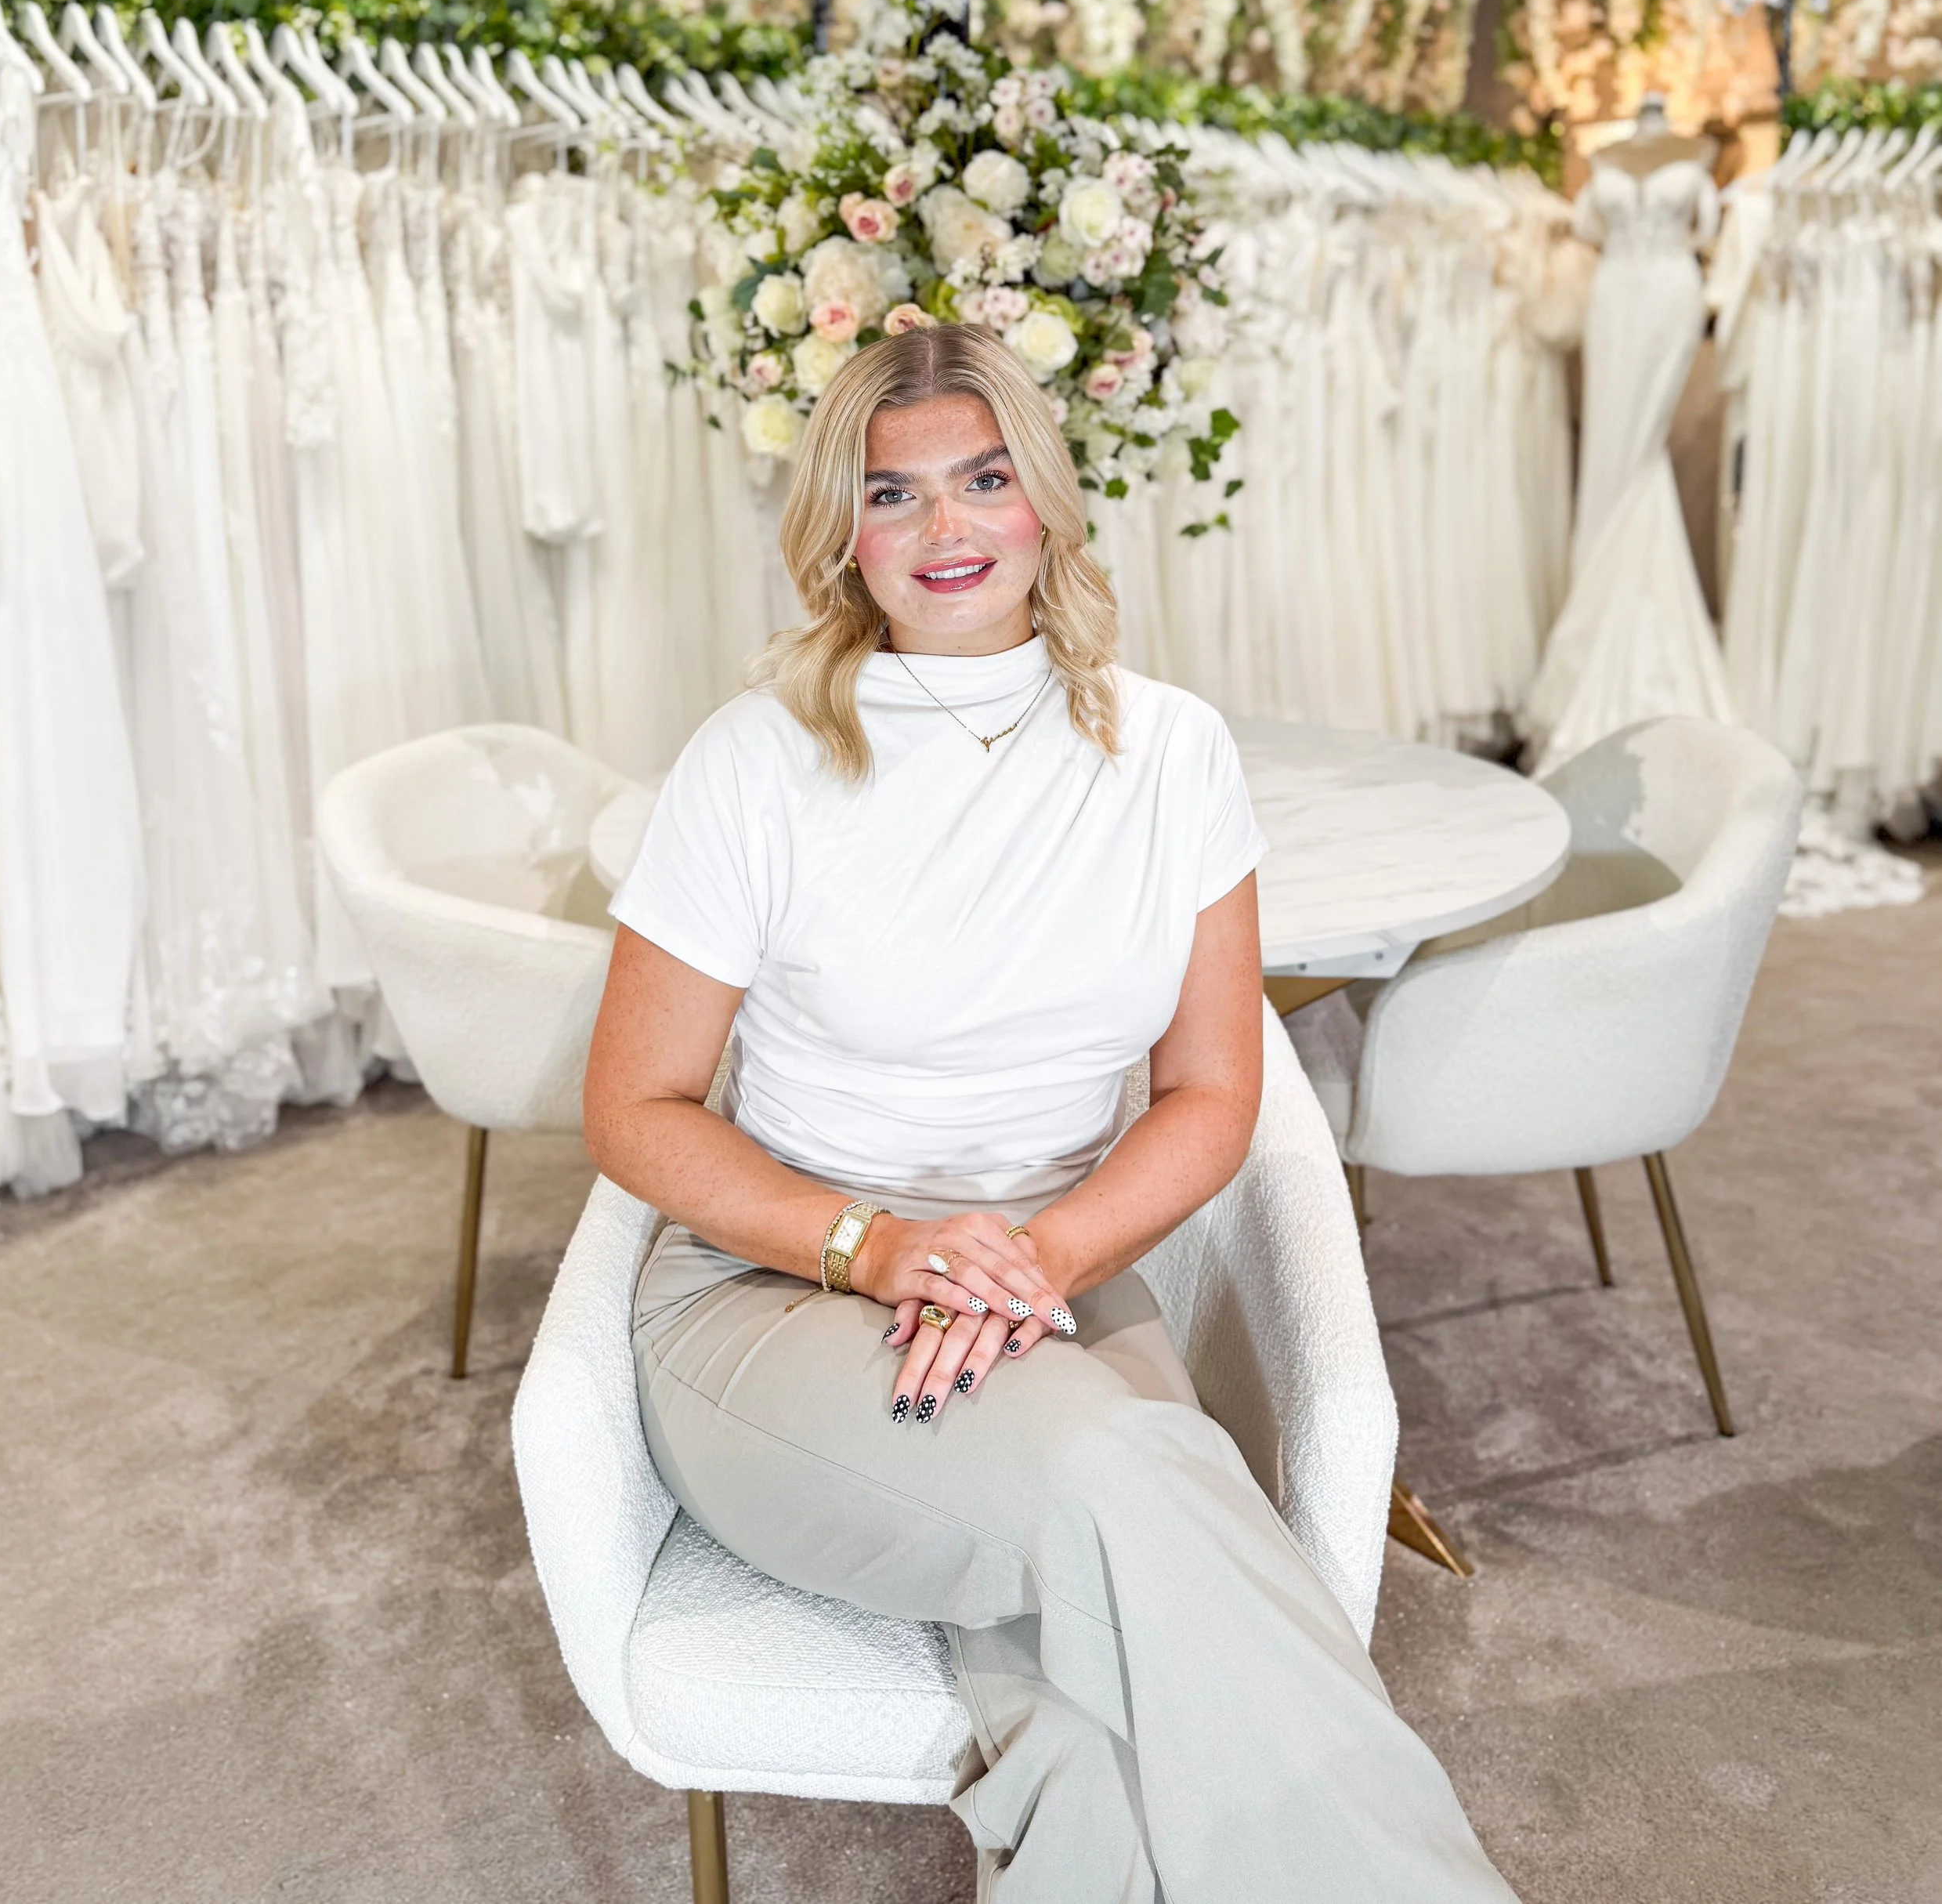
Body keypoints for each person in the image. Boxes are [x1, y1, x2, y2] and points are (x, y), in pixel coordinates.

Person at [584, 324, 1517, 1900]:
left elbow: (1213, 1089)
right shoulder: (756, 761)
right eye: (893, 494)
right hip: (772, 1295)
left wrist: (1043, 1253)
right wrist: (880, 1249)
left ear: (1043, 506)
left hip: (1049, 1288)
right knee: (1130, 1477)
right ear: (841, 532)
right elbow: (634, 1107)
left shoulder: (1169, 753)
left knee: (1092, 1737)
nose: (944, 531)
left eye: (982, 480)